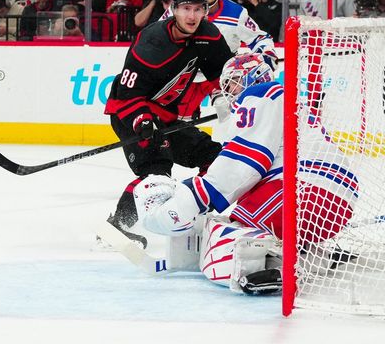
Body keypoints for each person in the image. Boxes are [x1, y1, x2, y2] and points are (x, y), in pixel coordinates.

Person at [132, 53, 359, 294]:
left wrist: (187, 201)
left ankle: (267, 266)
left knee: (228, 234)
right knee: (239, 215)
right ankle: (312, 256)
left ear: (253, 77)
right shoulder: (281, 100)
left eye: (233, 82)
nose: (228, 90)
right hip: (331, 197)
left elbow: (243, 165)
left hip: (304, 191)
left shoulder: (261, 94)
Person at [103, 0, 234, 245]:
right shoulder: (152, 42)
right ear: (173, 9)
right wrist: (142, 120)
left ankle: (193, 214)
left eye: (198, 9)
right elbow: (128, 94)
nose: (192, 16)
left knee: (216, 159)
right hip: (130, 112)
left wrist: (222, 94)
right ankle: (116, 227)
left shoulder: (208, 35)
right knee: (157, 175)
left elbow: (225, 73)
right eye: (186, 8)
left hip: (166, 116)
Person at [161, 0, 277, 68]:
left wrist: (266, 56)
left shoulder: (236, 12)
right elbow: (158, 35)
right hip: (185, 74)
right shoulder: (178, 8)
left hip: (222, 77)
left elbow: (260, 39)